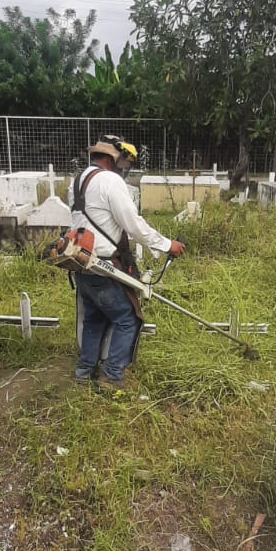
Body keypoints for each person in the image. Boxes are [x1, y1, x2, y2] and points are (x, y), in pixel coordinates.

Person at [68, 136, 185, 386]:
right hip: (103, 267)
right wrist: (167, 245)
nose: (125, 168)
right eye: (125, 162)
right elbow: (133, 224)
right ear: (114, 157)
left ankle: (84, 371)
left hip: (80, 263)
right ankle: (112, 376)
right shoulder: (110, 181)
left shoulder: (78, 180)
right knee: (127, 318)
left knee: (94, 317)